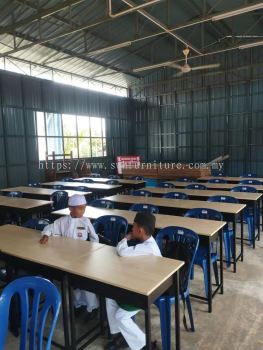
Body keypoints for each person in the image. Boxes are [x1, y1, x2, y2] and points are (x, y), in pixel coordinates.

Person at [105, 212, 161, 350]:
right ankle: (121, 335)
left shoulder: (148, 247)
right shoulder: (145, 242)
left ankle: (146, 345)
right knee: (110, 297)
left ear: (140, 230)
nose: (131, 229)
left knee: (120, 316)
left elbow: (122, 251)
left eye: (133, 226)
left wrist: (125, 238)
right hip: (137, 282)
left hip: (147, 289)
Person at [39, 194, 99, 316]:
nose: (82, 211)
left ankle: (92, 307)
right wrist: (46, 235)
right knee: (74, 285)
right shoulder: (62, 221)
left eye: (84, 208)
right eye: (80, 208)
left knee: (86, 284)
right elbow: (49, 227)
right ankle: (77, 305)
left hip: (83, 258)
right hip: (67, 258)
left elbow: (94, 238)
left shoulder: (86, 221)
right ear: (70, 208)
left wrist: (92, 252)